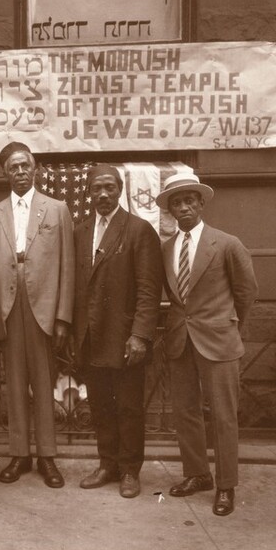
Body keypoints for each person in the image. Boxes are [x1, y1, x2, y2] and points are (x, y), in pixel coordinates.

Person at [157, 172, 257, 517]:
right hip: (180, 341)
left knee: (224, 416)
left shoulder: (226, 243)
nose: (183, 207)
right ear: (170, 210)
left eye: (189, 200)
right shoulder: (167, 247)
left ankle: (226, 485)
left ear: (201, 203)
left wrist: (229, 327)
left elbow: (246, 293)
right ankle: (197, 474)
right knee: (185, 412)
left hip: (219, 341)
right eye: (176, 203)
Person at [0, 142, 73, 489]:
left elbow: (67, 264)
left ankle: (47, 455)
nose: (20, 172)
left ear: (35, 170)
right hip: (8, 305)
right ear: (5, 172)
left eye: (25, 166)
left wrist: (63, 316)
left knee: (44, 381)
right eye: (13, 167)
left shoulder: (56, 209)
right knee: (15, 382)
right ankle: (19, 453)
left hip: (44, 306)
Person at [72, 164, 164, 498]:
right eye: (97, 188)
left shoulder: (139, 230)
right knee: (100, 406)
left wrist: (140, 335)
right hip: (92, 339)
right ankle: (107, 464)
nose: (104, 194)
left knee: (128, 406)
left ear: (120, 189)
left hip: (125, 339)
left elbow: (149, 290)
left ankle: (129, 470)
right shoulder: (80, 231)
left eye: (110, 187)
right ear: (89, 192)